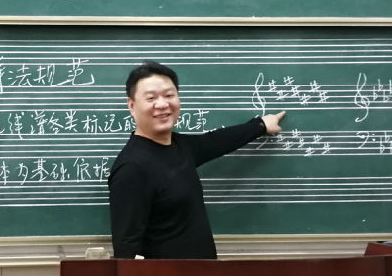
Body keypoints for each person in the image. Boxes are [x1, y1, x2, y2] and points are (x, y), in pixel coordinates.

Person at [108, 61, 286, 259]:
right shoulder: (132, 168)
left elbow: (216, 141)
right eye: (151, 98)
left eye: (169, 95)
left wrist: (260, 125)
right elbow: (126, 249)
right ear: (132, 106)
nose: (162, 104)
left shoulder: (179, 146)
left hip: (201, 273)